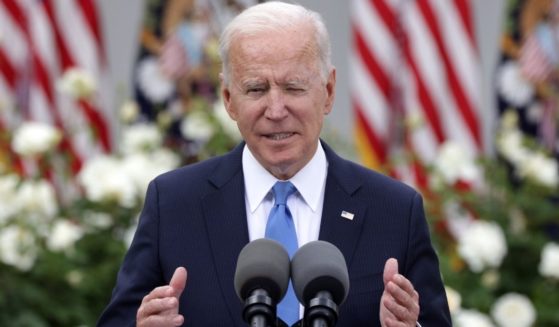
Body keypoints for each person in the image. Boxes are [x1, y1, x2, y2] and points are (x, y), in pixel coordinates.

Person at [97, 2, 451, 326]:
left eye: (294, 88)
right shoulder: (173, 203)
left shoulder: (394, 210)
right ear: (228, 99)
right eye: (255, 89)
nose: (276, 110)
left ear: (327, 91)